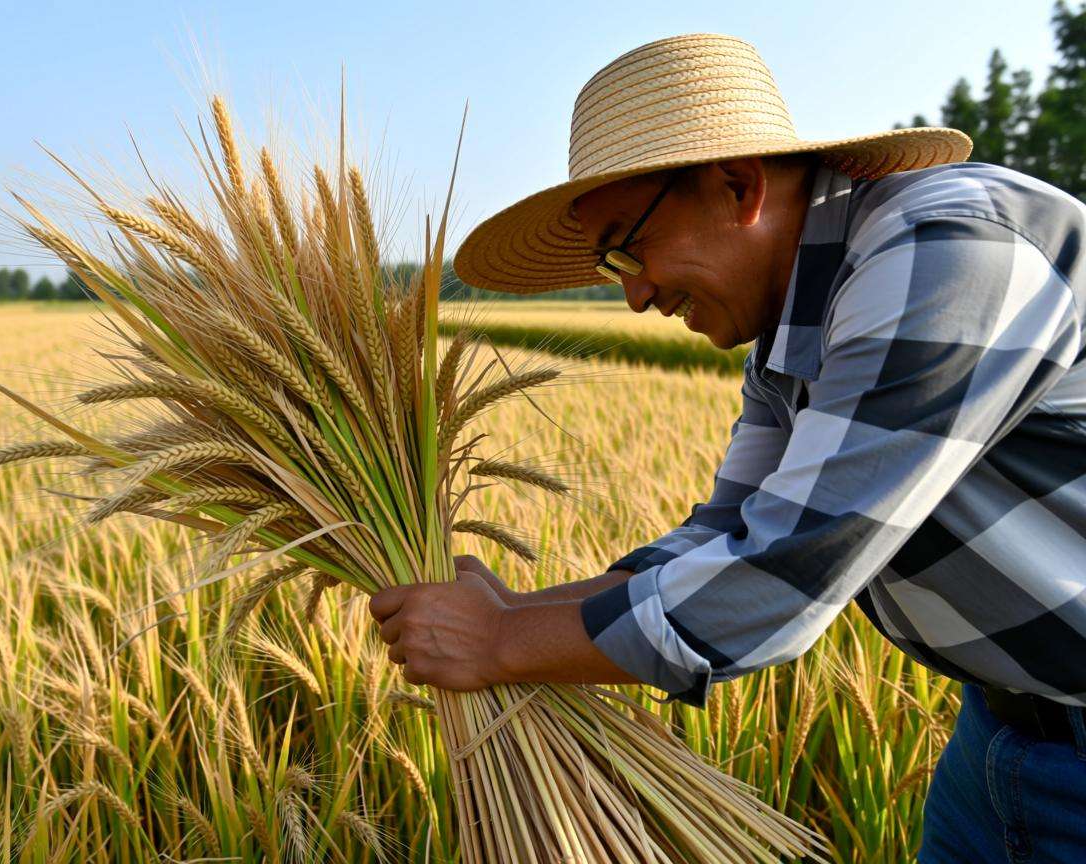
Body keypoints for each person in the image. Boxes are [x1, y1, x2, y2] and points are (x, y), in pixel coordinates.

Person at [367, 33, 1086, 861]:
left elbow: (781, 577)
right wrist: (512, 611)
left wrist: (498, 644)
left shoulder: (948, 250)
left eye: (627, 248)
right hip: (1000, 738)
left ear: (737, 187)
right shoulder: (791, 327)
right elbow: (728, 528)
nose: (634, 296)